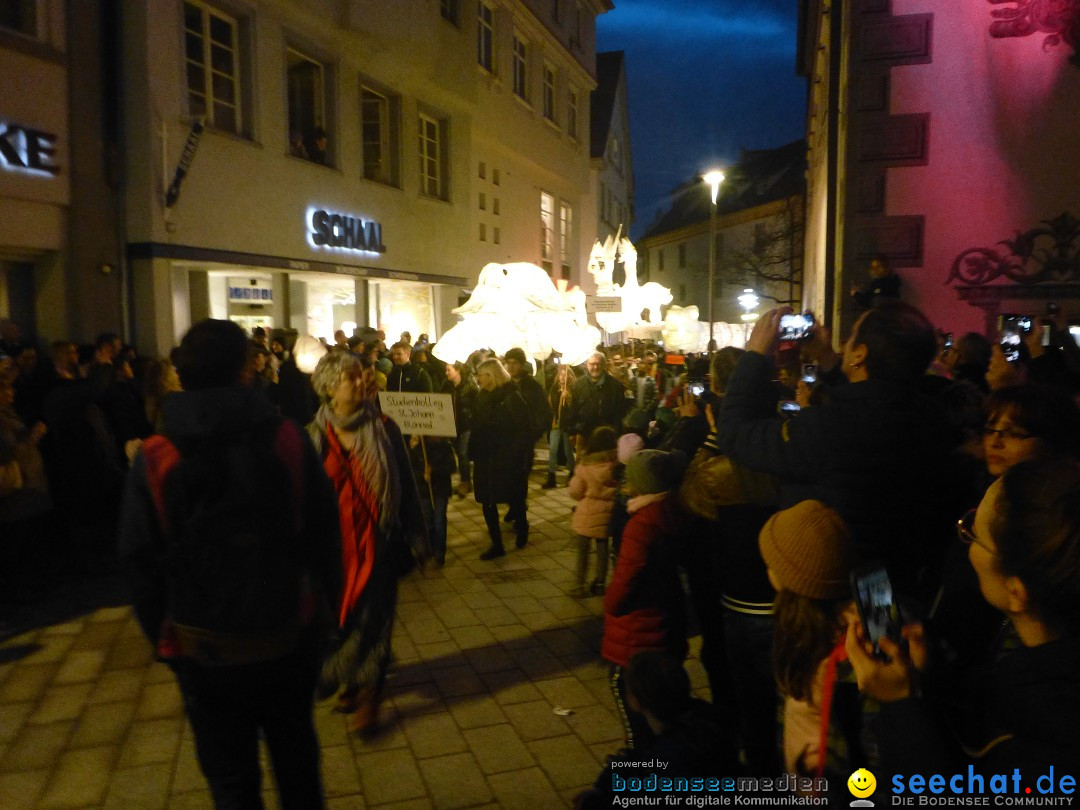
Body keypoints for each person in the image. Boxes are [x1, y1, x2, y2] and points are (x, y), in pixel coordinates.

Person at [118, 319, 343, 809]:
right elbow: (325, 531)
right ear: (246, 370)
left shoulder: (156, 454)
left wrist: (164, 634)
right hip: (287, 628)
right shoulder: (285, 437)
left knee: (231, 778)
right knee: (297, 762)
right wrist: (330, 611)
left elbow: (139, 558)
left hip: (202, 642)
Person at [849, 460, 1080, 777]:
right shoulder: (1041, 670)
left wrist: (901, 704)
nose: (965, 537)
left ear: (1016, 591)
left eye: (973, 532)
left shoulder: (1052, 740)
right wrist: (933, 676)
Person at [717, 302, 960, 601]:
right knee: (882, 642)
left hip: (830, 587)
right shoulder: (932, 418)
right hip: (891, 578)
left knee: (842, 647)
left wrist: (754, 355)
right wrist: (828, 358)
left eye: (852, 338)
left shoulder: (826, 428)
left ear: (860, 353)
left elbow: (736, 434)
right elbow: (873, 399)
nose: (844, 344)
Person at [307, 351, 429, 734]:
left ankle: (371, 691)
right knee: (343, 619)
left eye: (362, 376)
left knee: (376, 617)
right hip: (335, 548)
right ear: (329, 387)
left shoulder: (384, 427)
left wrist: (418, 534)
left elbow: (405, 485)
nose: (362, 383)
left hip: (380, 539)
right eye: (351, 378)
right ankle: (351, 679)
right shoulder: (312, 436)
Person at [759, 500, 862, 790]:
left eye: (772, 564)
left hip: (819, 784)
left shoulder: (833, 662)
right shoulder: (831, 625)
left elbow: (839, 750)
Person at [603, 448, 689, 751]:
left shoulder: (642, 523)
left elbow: (627, 577)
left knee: (635, 717)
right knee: (664, 713)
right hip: (666, 626)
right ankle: (668, 761)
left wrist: (610, 605)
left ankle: (641, 774)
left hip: (637, 634)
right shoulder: (673, 511)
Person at [574, 651, 739, 809]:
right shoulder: (705, 720)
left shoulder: (669, 759)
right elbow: (638, 759)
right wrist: (605, 783)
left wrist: (591, 804)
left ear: (635, 702)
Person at [469, 358, 533, 559]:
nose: (478, 379)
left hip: (506, 458)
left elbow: (524, 429)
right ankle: (497, 544)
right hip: (485, 457)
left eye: (481, 375)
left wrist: (515, 454)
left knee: (514, 496)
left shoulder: (511, 396)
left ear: (491, 376)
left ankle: (522, 527)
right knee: (487, 501)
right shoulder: (481, 397)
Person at [567, 426, 618, 597]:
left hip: (587, 513)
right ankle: (600, 583)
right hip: (607, 513)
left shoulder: (585, 465)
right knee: (602, 548)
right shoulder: (615, 465)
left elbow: (575, 491)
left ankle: (579, 585)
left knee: (583, 551)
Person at [568, 351, 629, 456]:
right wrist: (572, 431)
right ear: (587, 365)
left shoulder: (615, 386)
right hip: (585, 434)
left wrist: (616, 433)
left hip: (606, 436)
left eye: (598, 364)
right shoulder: (579, 384)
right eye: (592, 364)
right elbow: (574, 409)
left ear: (604, 365)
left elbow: (620, 411)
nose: (595, 367)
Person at [442, 361, 478, 497]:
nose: (446, 373)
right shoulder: (446, 385)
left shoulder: (470, 386)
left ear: (458, 370)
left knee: (463, 453)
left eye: (449, 370)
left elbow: (476, 405)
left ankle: (466, 482)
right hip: (452, 425)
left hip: (466, 424)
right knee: (459, 453)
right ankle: (465, 479)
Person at [544, 364, 577, 489]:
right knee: (553, 450)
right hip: (556, 424)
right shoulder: (554, 390)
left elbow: (574, 409)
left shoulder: (573, 390)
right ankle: (551, 476)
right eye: (561, 374)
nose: (562, 377)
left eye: (565, 374)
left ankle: (573, 473)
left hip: (567, 425)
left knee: (568, 452)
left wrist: (568, 398)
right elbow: (550, 406)